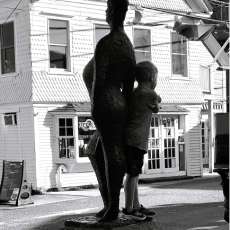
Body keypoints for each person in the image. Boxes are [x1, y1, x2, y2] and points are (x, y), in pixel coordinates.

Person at [87, 0, 136, 222]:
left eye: (108, 10)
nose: (107, 13)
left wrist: (96, 109)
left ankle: (113, 207)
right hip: (119, 101)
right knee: (98, 151)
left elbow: (99, 81)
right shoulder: (126, 44)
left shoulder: (106, 43)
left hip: (106, 101)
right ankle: (110, 204)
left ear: (112, 12)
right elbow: (128, 84)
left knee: (110, 151)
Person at [123, 61, 161, 221]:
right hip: (137, 140)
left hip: (129, 138)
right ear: (152, 77)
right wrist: (156, 101)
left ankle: (136, 205)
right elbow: (157, 104)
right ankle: (130, 209)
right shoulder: (149, 94)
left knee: (133, 174)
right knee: (133, 174)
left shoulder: (133, 92)